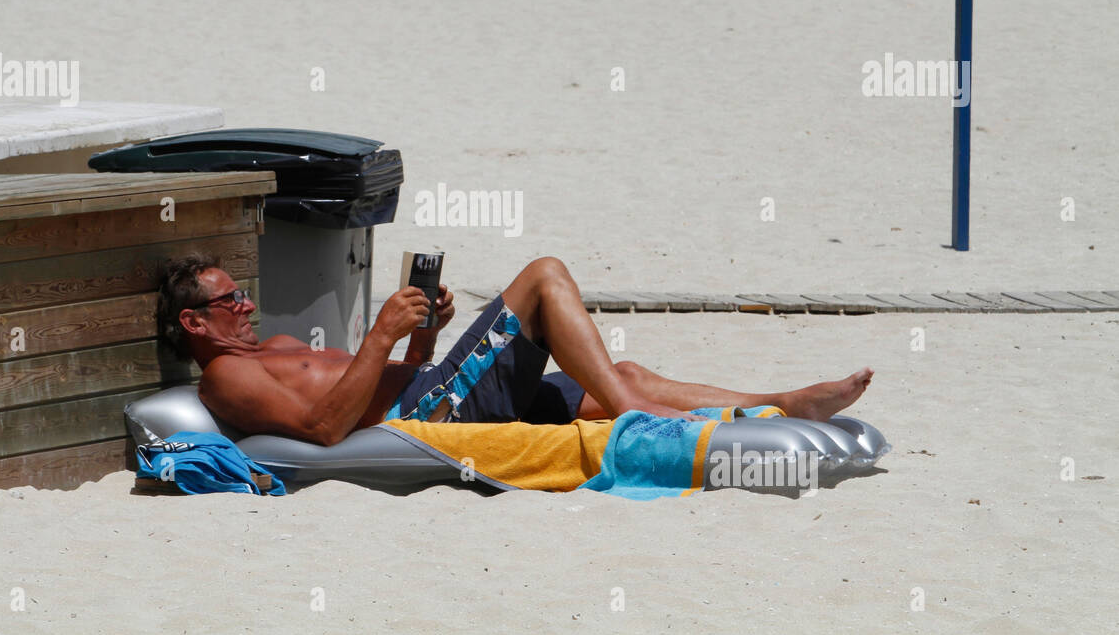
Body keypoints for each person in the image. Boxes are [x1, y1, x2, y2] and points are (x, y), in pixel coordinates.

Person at [158, 254, 874, 446]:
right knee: (541, 276)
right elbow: (324, 428)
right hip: (432, 418)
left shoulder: (277, 346)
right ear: (195, 324)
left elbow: (376, 379)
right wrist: (378, 333)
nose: (247, 305)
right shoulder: (226, 381)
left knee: (619, 372)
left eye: (243, 293)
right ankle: (637, 418)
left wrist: (422, 330)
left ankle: (783, 403)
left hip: (433, 386)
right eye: (230, 301)